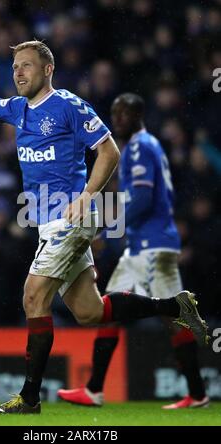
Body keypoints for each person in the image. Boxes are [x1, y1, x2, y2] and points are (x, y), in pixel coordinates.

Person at [0, 41, 209, 415]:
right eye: (15, 66)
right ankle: (173, 304)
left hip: (73, 215)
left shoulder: (67, 105)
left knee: (33, 295)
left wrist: (87, 195)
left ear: (47, 70)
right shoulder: (16, 109)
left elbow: (108, 149)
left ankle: (29, 398)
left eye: (26, 66)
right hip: (46, 223)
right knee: (89, 312)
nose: (18, 72)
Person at [58, 93, 209, 409]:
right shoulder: (145, 146)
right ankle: (95, 389)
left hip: (151, 248)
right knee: (109, 310)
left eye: (122, 115)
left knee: (167, 315)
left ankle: (196, 392)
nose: (116, 121)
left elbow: (141, 198)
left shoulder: (140, 147)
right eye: (114, 115)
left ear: (137, 116)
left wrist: (101, 225)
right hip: (144, 246)